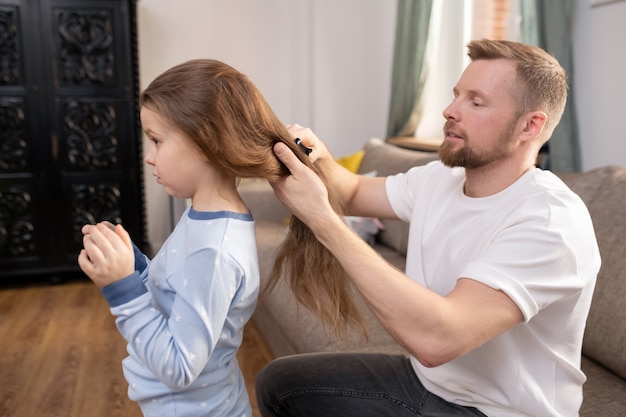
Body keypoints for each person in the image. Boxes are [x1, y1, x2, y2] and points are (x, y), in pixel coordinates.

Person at [256, 39, 601, 417]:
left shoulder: (550, 222)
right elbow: (353, 191)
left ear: (529, 125)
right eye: (456, 95)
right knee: (280, 384)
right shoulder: (440, 178)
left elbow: (437, 341)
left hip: (496, 411)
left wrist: (323, 220)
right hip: (428, 383)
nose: (449, 110)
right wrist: (318, 154)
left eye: (476, 101)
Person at [77, 59, 351, 417]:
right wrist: (135, 266)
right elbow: (173, 292)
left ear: (208, 144)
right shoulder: (201, 217)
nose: (148, 156)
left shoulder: (215, 250)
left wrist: (123, 288)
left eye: (157, 140)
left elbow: (178, 368)